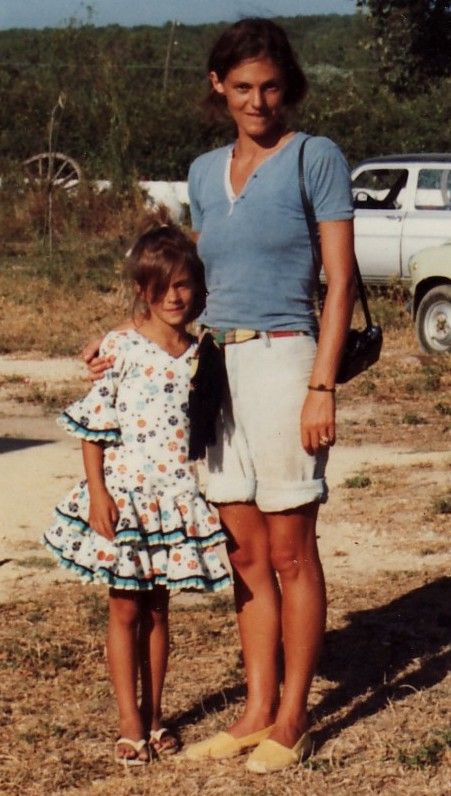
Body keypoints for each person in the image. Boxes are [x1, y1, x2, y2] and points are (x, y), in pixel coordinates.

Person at [86, 17, 355, 775]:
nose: (257, 101)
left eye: (270, 86)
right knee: (242, 552)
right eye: (241, 87)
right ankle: (255, 711)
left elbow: (340, 284)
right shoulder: (205, 173)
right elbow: (189, 287)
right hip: (214, 369)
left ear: (288, 85)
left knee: (289, 551)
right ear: (218, 88)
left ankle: (294, 718)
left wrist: (320, 386)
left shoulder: (315, 156)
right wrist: (126, 338)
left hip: (284, 360)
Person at [43, 222, 231, 766]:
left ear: (196, 286)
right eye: (160, 286)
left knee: (159, 609)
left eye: (183, 285)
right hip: (125, 498)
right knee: (124, 609)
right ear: (142, 290)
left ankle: (155, 715)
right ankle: (129, 722)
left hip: (172, 499)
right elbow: (93, 426)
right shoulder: (120, 348)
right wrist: (99, 493)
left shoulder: (201, 352)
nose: (174, 297)